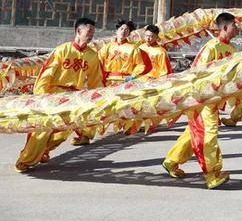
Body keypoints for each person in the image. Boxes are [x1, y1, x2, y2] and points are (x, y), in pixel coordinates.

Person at [15, 18, 105, 172]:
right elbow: (47, 73)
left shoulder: (92, 56)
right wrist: (42, 95)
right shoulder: (62, 50)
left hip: (74, 97)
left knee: (63, 132)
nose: (91, 36)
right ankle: (25, 160)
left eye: (93, 33)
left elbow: (95, 80)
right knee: (42, 130)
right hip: (54, 94)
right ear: (78, 31)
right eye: (89, 32)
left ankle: (43, 151)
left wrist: (97, 98)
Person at [162, 12, 237, 189]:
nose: (237, 28)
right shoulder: (211, 48)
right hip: (204, 99)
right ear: (225, 27)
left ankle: (171, 161)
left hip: (216, 99)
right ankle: (212, 174)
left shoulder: (233, 49)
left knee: (193, 132)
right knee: (208, 134)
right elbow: (196, 73)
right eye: (235, 25)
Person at [99, 20, 151, 87]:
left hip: (125, 81)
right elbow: (99, 63)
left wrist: (133, 76)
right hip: (108, 80)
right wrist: (102, 77)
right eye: (121, 29)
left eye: (126, 30)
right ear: (117, 31)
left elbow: (141, 64)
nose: (123, 31)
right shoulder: (107, 47)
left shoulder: (133, 49)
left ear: (129, 33)